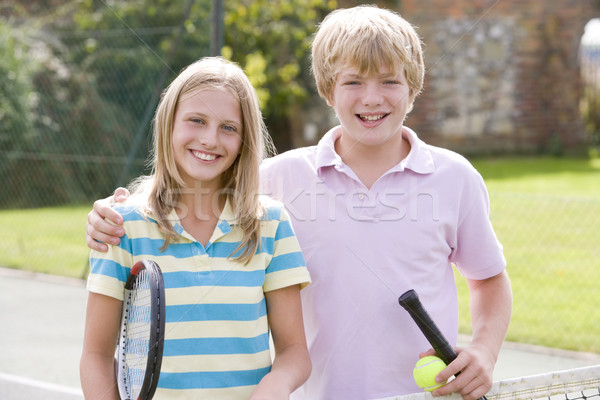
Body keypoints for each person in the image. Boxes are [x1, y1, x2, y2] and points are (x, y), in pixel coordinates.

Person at [85, 5, 512, 400]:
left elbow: (489, 279)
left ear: (412, 87)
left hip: (428, 394)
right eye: (353, 82)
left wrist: (485, 352)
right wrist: (115, 211)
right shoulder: (278, 180)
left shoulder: (455, 178)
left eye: (389, 81)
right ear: (328, 90)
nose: (372, 98)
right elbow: (200, 188)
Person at [80, 57, 312, 400]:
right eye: (196, 121)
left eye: (228, 128)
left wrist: (274, 387)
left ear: (244, 140)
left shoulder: (272, 224)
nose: (210, 139)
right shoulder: (121, 227)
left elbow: (295, 353)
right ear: (169, 125)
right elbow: (97, 356)